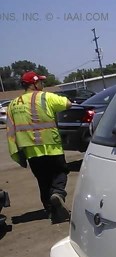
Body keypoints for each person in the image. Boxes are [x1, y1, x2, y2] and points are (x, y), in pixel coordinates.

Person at [6, 71, 72, 223]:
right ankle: (58, 194)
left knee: (43, 180)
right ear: (34, 84)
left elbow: (10, 130)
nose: (43, 85)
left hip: (30, 150)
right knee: (60, 172)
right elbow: (67, 104)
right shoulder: (44, 96)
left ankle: (51, 211)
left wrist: (17, 153)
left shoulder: (13, 104)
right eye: (41, 82)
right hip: (51, 145)